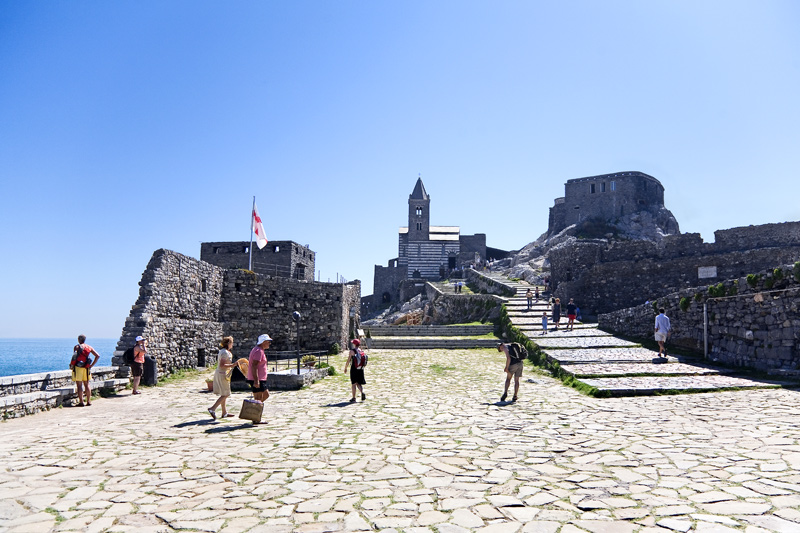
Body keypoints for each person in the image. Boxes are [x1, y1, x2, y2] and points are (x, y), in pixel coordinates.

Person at [208, 336, 237, 419]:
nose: (232, 344)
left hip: (221, 373)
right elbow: (222, 365)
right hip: (222, 374)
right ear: (228, 343)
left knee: (223, 393)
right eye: (231, 343)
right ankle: (212, 408)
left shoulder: (223, 351)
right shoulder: (225, 353)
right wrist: (233, 365)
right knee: (226, 393)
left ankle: (224, 412)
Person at [70, 335, 100, 407]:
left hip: (78, 367)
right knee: (87, 384)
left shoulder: (77, 347)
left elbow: (74, 357)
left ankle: (81, 402)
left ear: (78, 340)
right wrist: (91, 365)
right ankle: (89, 401)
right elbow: (97, 356)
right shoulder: (89, 347)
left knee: (79, 385)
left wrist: (72, 365)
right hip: (86, 368)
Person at [247, 334, 272, 409]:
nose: (269, 343)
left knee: (260, 398)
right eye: (268, 341)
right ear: (263, 342)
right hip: (258, 379)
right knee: (260, 397)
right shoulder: (258, 351)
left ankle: (255, 413)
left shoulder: (259, 350)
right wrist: (256, 380)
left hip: (260, 378)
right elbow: (254, 366)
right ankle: (254, 413)